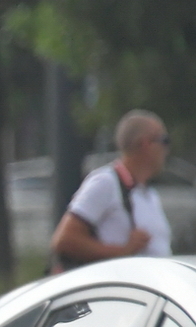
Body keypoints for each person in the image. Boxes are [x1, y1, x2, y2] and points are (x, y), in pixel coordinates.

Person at [53, 110, 173, 268]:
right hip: (120, 289)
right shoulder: (106, 182)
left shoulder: (149, 194)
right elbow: (64, 240)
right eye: (164, 140)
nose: (167, 150)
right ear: (146, 144)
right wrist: (122, 252)